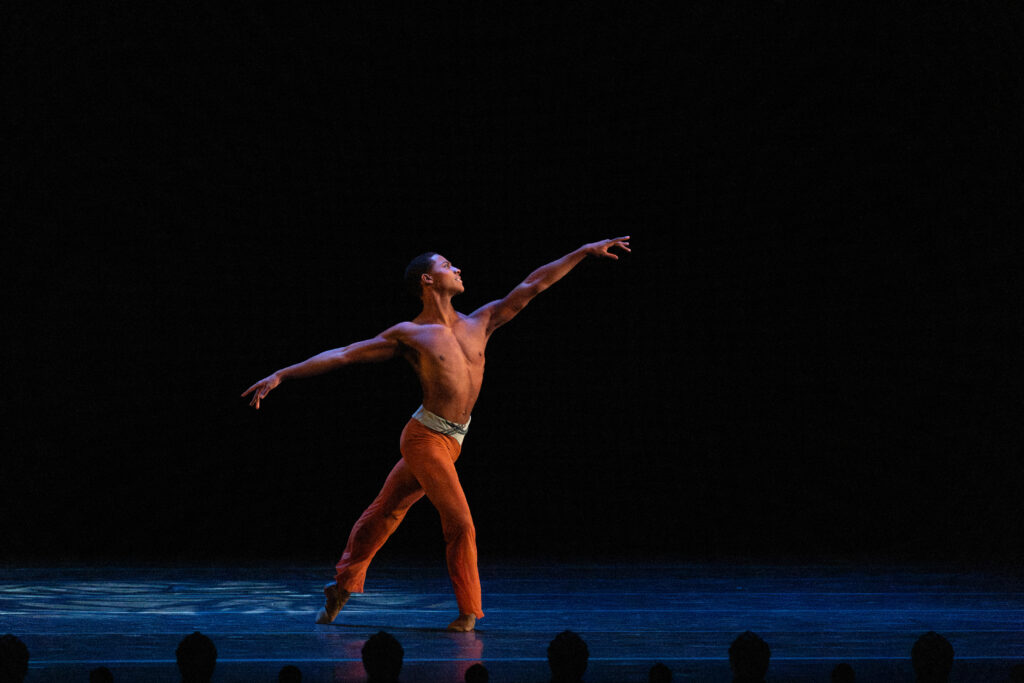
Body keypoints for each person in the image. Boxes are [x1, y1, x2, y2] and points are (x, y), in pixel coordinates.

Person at [243, 238, 630, 631]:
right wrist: (282, 375)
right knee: (460, 521)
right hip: (424, 437)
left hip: (454, 439)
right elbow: (345, 353)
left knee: (385, 511)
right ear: (428, 280)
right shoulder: (410, 334)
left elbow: (533, 284)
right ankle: (468, 612)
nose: (458, 269)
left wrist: (583, 252)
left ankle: (341, 586)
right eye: (449, 265)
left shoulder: (482, 321)